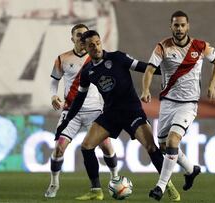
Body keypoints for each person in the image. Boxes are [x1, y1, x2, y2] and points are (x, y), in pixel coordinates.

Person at [55, 30, 181, 202]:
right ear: (85, 47)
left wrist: (170, 71)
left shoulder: (117, 57)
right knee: (86, 146)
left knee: (151, 148)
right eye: (91, 45)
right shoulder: (88, 71)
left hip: (132, 111)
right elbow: (79, 98)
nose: (96, 47)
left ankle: (169, 187)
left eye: (98, 43)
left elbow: (143, 67)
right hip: (111, 114)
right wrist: (67, 120)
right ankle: (96, 190)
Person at [141, 10, 215, 201]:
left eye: (182, 25)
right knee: (163, 146)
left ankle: (160, 187)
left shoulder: (200, 46)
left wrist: (212, 85)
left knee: (172, 141)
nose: (179, 28)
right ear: (171, 26)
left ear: (188, 26)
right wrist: (145, 89)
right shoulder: (162, 47)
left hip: (188, 104)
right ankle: (191, 169)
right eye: (176, 25)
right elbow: (150, 69)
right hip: (167, 103)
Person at [44, 24, 119, 200]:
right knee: (59, 149)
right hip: (71, 111)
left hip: (94, 111)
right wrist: (53, 95)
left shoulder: (98, 57)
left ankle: (115, 178)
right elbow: (54, 80)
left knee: (106, 146)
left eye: (85, 34)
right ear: (73, 38)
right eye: (79, 35)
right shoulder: (63, 58)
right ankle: (54, 183)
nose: (82, 37)